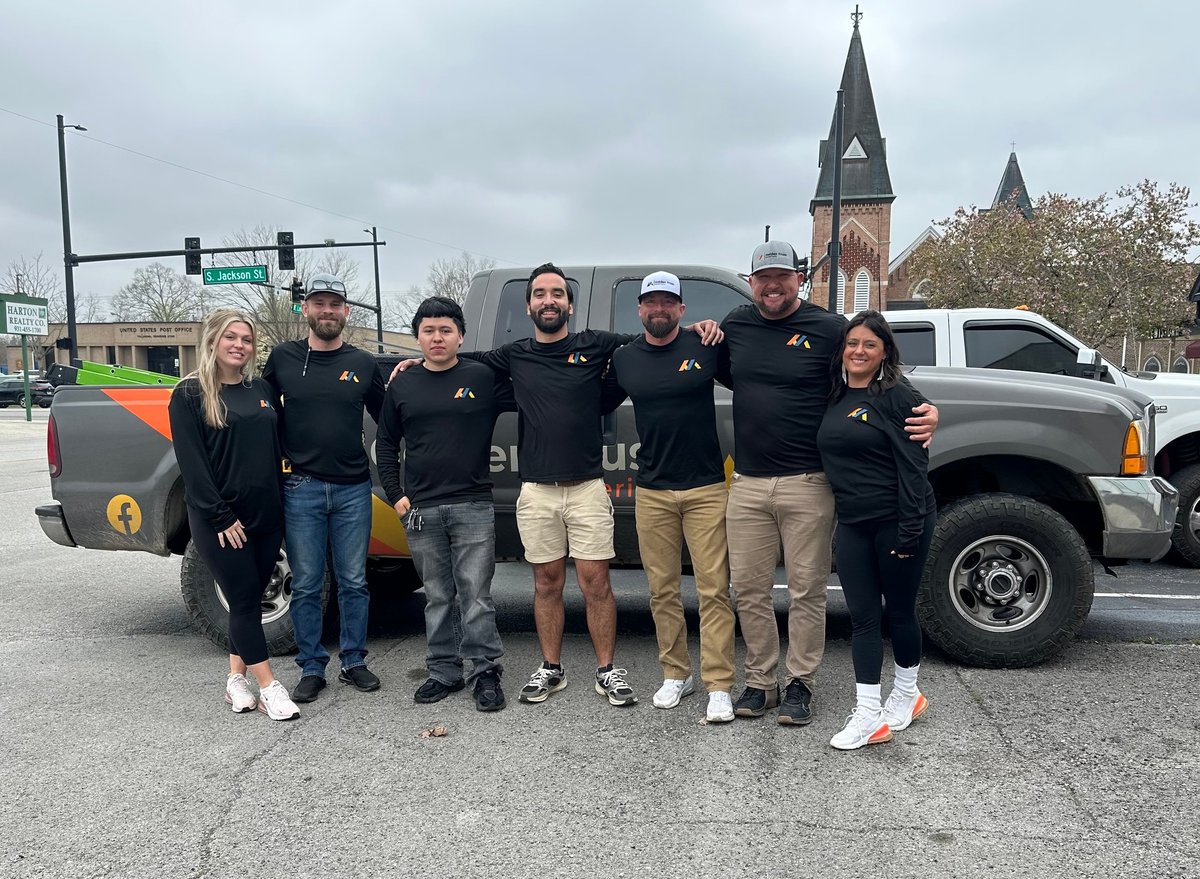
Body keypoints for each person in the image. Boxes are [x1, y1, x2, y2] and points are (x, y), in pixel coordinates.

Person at [391, 263, 720, 709]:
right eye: (541, 294)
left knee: (595, 582)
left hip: (587, 487)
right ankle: (551, 668)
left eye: (558, 294)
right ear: (529, 306)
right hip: (536, 490)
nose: (550, 301)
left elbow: (654, 339)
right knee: (546, 582)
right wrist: (415, 360)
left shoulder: (597, 345)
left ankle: (607, 670)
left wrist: (702, 327)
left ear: (570, 303)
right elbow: (453, 360)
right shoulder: (514, 354)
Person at [718, 241, 937, 726]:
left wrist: (929, 408)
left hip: (808, 481)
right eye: (763, 277)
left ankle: (800, 684)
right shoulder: (735, 324)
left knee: (806, 590)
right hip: (749, 483)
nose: (772, 285)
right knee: (749, 589)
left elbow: (875, 369)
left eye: (782, 276)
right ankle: (760, 682)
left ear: (798, 279)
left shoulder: (830, 329)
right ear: (751, 281)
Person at [602, 271, 737, 723]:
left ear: (682, 310)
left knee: (714, 589)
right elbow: (581, 391)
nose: (658, 309)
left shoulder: (706, 345)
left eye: (668, 302)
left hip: (705, 488)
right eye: (650, 303)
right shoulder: (624, 359)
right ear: (639, 310)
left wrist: (712, 327)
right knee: (662, 590)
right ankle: (676, 674)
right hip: (653, 491)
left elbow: (757, 377)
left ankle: (718, 683)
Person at [375, 296, 516, 712]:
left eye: (446, 330)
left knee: (476, 595)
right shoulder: (403, 383)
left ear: (460, 336)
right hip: (421, 509)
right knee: (438, 595)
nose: (437, 338)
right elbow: (385, 444)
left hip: (473, 504)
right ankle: (443, 671)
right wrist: (397, 498)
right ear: (417, 337)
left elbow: (532, 376)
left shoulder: (483, 376)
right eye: (428, 331)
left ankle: (484, 672)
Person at [167, 308, 300, 721]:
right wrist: (221, 517)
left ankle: (234, 680)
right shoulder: (190, 394)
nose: (239, 345)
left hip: (265, 516)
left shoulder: (258, 388)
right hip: (221, 521)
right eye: (231, 337)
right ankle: (269, 687)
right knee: (243, 602)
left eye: (246, 339)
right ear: (212, 341)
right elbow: (193, 466)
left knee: (251, 599)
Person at [262, 273, 387, 703]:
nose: (327, 311)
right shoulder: (281, 359)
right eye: (319, 303)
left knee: (354, 581)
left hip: (354, 489)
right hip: (302, 488)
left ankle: (354, 662)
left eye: (335, 304)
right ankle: (312, 667)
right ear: (306, 309)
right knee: (309, 583)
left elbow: (390, 418)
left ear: (346, 311)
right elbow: (257, 411)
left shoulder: (364, 364)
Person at [817, 311, 937, 749]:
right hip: (853, 524)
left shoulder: (898, 397)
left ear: (885, 350)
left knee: (900, 612)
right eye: (852, 343)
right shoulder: (833, 394)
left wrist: (908, 535)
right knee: (863, 617)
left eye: (869, 344)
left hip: (901, 521)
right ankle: (869, 713)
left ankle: (906, 695)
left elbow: (914, 470)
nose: (859, 351)